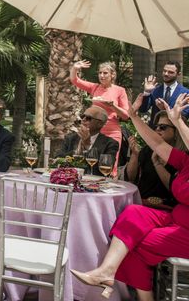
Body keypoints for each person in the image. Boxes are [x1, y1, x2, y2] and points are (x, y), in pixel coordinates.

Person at [70, 93, 189, 301]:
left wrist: (177, 120)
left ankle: (119, 282)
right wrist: (133, 116)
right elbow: (159, 146)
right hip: (176, 219)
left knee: (133, 244)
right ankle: (106, 270)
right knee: (133, 212)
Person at [70, 60, 129, 173]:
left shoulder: (120, 91)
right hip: (93, 131)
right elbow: (75, 80)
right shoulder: (95, 87)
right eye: (100, 73)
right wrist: (75, 68)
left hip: (112, 131)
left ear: (112, 75)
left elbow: (126, 115)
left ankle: (110, 188)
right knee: (91, 161)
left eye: (105, 73)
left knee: (110, 164)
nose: (102, 75)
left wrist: (113, 106)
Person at [124, 110, 186, 208]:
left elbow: (175, 189)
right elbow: (131, 177)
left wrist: (157, 164)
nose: (157, 129)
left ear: (177, 131)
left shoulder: (184, 156)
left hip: (167, 207)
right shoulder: (148, 150)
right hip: (141, 203)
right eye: (156, 126)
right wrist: (135, 155)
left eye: (163, 127)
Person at [55, 106, 119, 176]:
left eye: (89, 118)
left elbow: (104, 170)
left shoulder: (110, 143)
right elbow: (57, 160)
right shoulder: (70, 138)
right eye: (82, 116)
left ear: (100, 124)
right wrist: (76, 153)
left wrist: (87, 146)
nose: (83, 119)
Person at [139, 61, 189, 125]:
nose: (166, 74)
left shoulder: (186, 93)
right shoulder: (155, 90)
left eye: (170, 72)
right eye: (164, 71)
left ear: (178, 74)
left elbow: (185, 115)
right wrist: (146, 92)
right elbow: (143, 110)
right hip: (155, 130)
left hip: (175, 131)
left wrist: (165, 108)